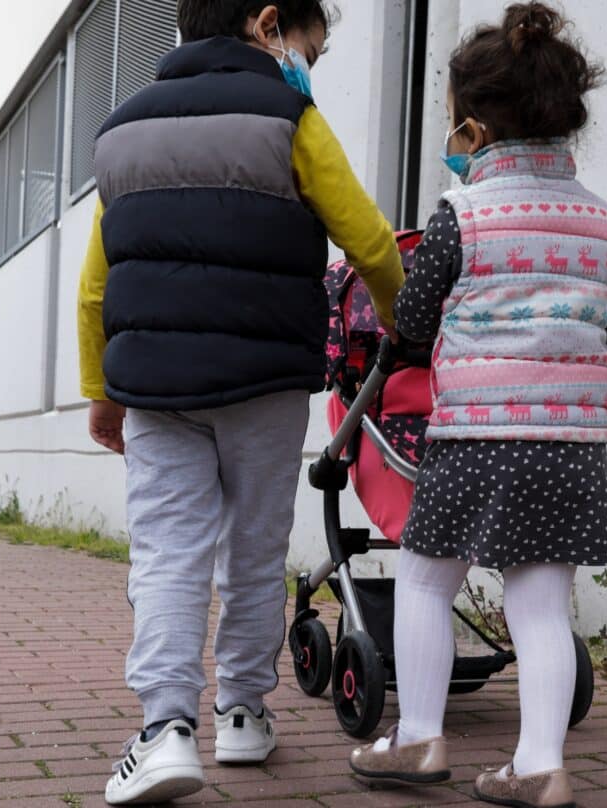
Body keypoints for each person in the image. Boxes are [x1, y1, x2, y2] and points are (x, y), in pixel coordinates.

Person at [76, 2, 405, 804]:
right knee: (255, 549)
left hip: (156, 386)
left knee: (166, 553)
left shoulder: (122, 129)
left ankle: (164, 732)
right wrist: (406, 331)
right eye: (310, 50)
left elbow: (95, 286)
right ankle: (244, 714)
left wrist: (99, 392)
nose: (308, 68)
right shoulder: (290, 114)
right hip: (264, 386)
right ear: (267, 25)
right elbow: (367, 241)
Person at [347, 4, 607, 806]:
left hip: (475, 435)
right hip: (570, 443)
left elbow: (410, 319)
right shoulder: (604, 224)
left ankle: (418, 739)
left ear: (472, 131)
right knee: (541, 602)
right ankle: (540, 763)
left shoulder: (461, 215)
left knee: (426, 581)